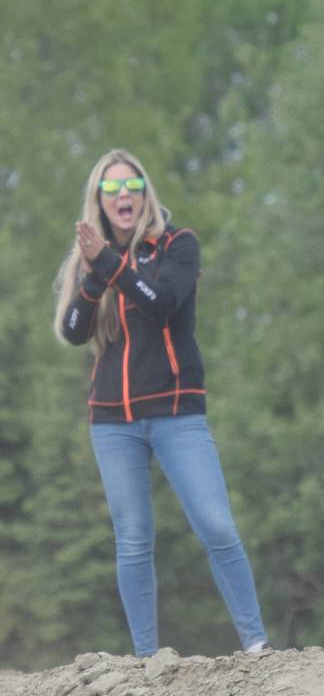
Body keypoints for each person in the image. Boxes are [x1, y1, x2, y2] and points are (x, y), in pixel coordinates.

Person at [53, 149, 269, 657]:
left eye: (132, 186)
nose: (123, 196)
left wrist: (110, 262)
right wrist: (90, 278)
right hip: (112, 421)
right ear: (100, 201)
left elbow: (160, 303)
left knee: (215, 524)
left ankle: (257, 644)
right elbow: (72, 330)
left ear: (145, 192)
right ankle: (147, 662)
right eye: (112, 189)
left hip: (176, 412)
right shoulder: (91, 258)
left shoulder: (177, 245)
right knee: (132, 540)